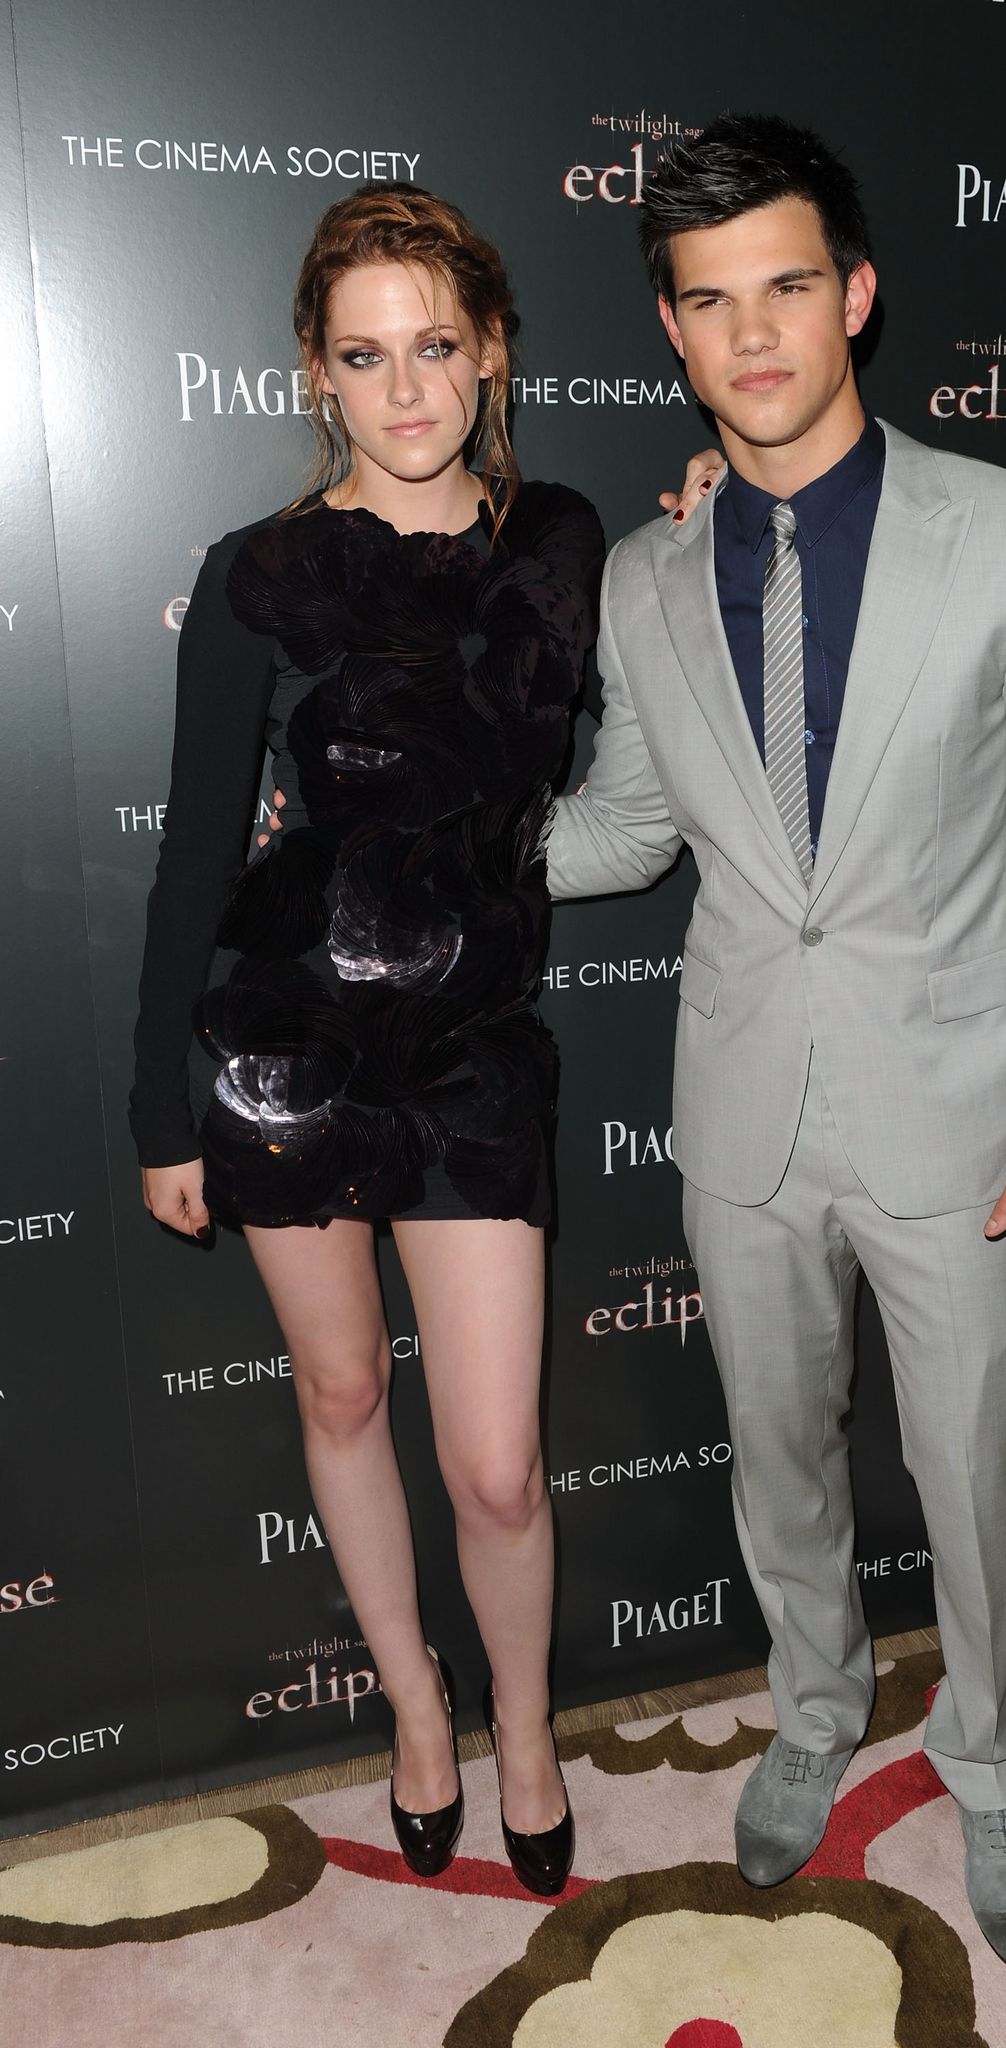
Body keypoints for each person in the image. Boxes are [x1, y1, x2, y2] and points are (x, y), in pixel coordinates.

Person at [546, 114, 1006, 1970]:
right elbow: (626, 829)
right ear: (670, 328)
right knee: (778, 1460)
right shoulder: (641, 577)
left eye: (788, 286)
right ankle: (813, 1712)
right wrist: (416, 843)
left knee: (976, 1476)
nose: (754, 334)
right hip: (743, 1108)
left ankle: (995, 1763)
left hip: (965, 1112)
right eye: (711, 301)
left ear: (857, 295)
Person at [130, 182, 713, 1894]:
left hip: (472, 1054)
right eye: (366, 355)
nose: (406, 389)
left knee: (500, 1468)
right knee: (338, 1390)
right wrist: (161, 1108)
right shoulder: (253, 578)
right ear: (317, 371)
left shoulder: (566, 545)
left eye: (437, 347)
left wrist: (719, 514)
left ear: (494, 353)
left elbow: (688, 652)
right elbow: (193, 853)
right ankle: (414, 1709)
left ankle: (526, 1725)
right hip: (279, 1047)